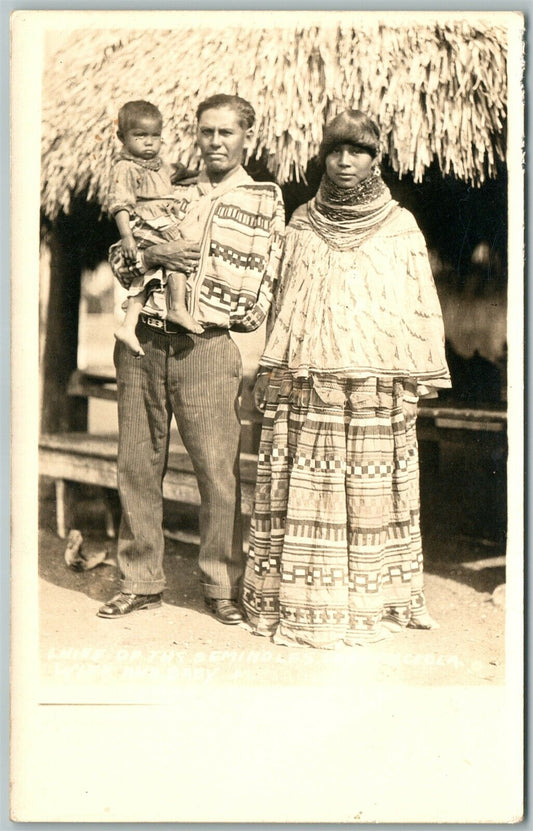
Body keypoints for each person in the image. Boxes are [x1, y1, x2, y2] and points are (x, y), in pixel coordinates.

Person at [242, 109, 451, 648]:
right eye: (335, 150)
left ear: (375, 158)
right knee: (307, 492)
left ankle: (366, 604)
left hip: (372, 389)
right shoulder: (301, 223)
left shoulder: (399, 226)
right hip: (310, 384)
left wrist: (411, 382)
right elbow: (283, 303)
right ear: (323, 157)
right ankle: (305, 605)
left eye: (356, 151)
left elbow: (417, 304)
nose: (344, 161)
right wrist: (272, 367)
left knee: (367, 495)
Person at [97, 94, 285, 623]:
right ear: (196, 134)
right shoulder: (165, 185)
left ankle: (221, 586)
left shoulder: (262, 201)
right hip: (142, 342)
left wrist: (216, 312)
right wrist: (154, 254)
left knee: (217, 471)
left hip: (206, 346)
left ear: (247, 136)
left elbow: (266, 280)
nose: (215, 142)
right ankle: (139, 581)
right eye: (207, 131)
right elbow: (120, 260)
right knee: (137, 464)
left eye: (227, 132)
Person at [109, 99, 203, 359]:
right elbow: (120, 204)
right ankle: (177, 307)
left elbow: (177, 174)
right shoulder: (126, 167)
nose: (149, 142)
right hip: (146, 222)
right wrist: (127, 237)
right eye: (140, 136)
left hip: (161, 220)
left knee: (151, 276)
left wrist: (197, 175)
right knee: (178, 251)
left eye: (155, 136)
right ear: (122, 137)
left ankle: (128, 326)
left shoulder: (159, 164)